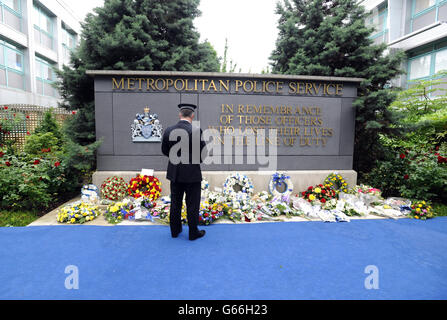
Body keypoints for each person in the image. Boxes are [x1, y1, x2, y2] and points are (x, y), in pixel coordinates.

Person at [161, 103, 207, 240]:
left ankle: (175, 231)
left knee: (175, 202)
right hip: (192, 174)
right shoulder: (196, 131)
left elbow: (164, 150)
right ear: (192, 115)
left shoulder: (169, 130)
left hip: (175, 173)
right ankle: (193, 233)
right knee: (192, 204)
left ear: (179, 115)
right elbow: (203, 154)